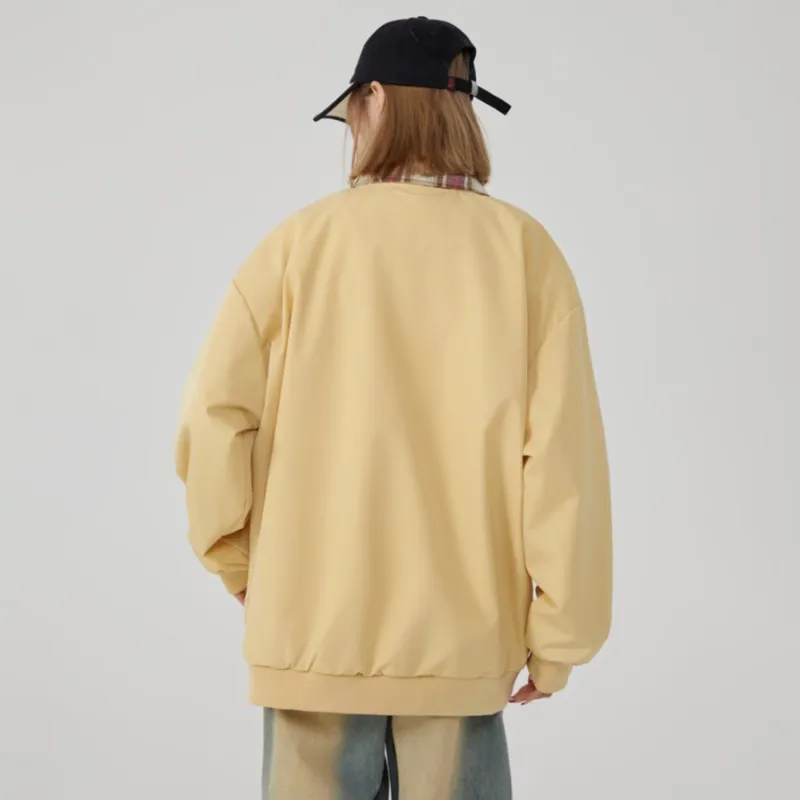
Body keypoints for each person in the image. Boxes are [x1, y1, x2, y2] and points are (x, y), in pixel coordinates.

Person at [175, 16, 612, 800]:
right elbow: (562, 466)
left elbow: (214, 418)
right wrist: (559, 639)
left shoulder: (297, 246)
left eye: (352, 110)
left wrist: (235, 558)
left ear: (374, 98)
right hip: (460, 644)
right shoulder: (526, 255)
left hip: (309, 632)